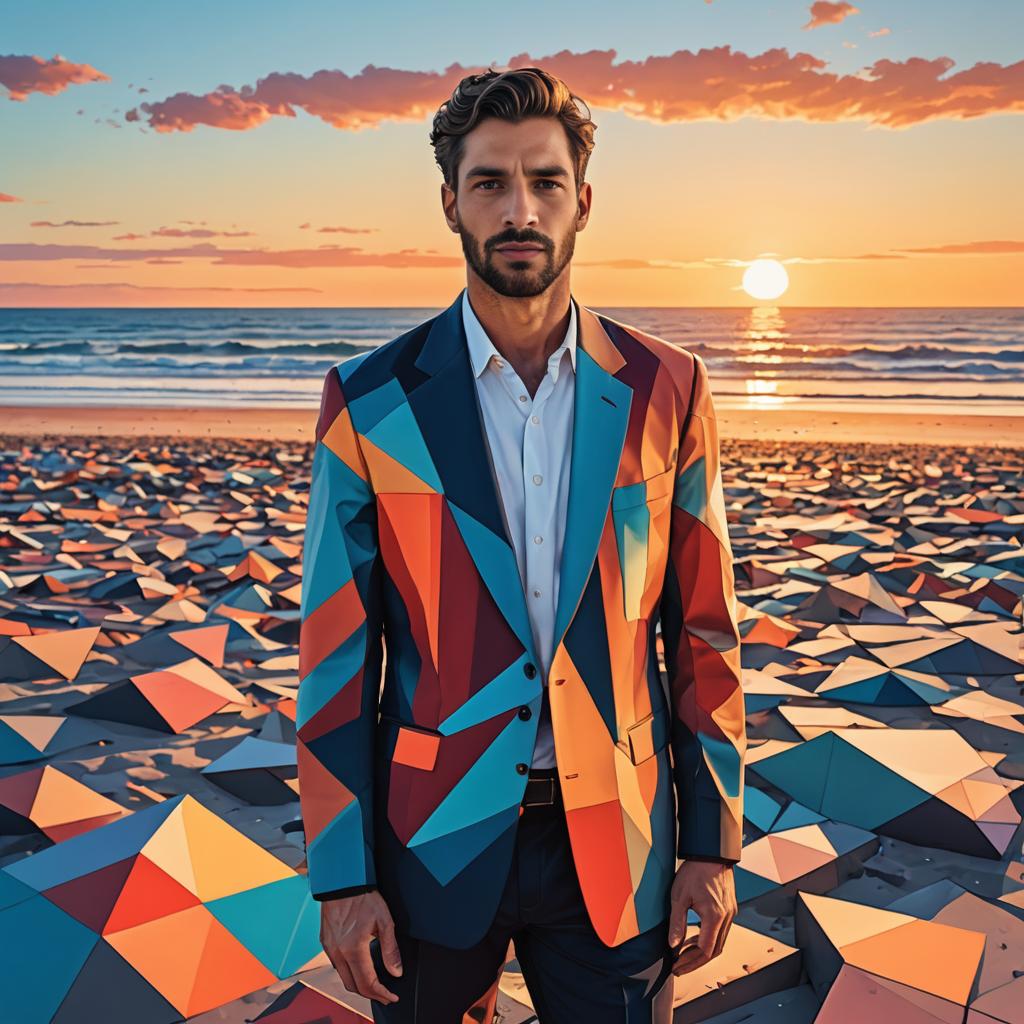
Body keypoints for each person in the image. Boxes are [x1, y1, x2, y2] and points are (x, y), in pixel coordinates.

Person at [297, 65, 746, 1023]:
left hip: (619, 844)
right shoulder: (372, 400)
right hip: (428, 847)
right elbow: (337, 655)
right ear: (450, 202)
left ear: (582, 201)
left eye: (544, 182)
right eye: (491, 182)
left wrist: (711, 846)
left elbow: (702, 637)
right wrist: (342, 876)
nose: (520, 210)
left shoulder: (671, 389)